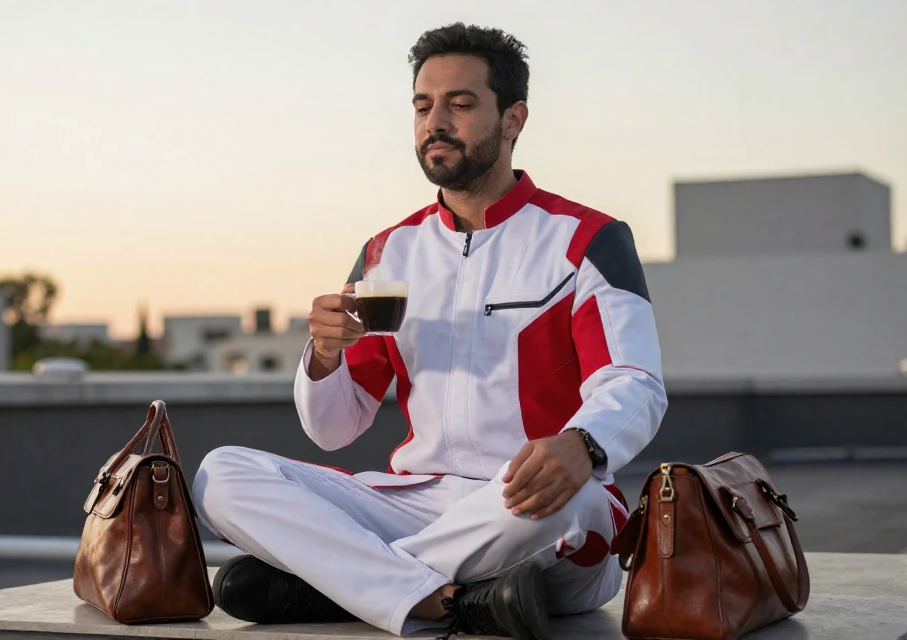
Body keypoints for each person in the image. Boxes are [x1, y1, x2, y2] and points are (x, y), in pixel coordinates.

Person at [193, 23, 667, 640]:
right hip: (415, 501)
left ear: (514, 119)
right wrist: (324, 357)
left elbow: (635, 381)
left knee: (568, 504)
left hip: (529, 503)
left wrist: (584, 444)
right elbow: (334, 429)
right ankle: (443, 601)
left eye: (460, 104)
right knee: (221, 474)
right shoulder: (389, 252)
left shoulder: (586, 239)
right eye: (423, 105)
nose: (435, 121)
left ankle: (338, 585)